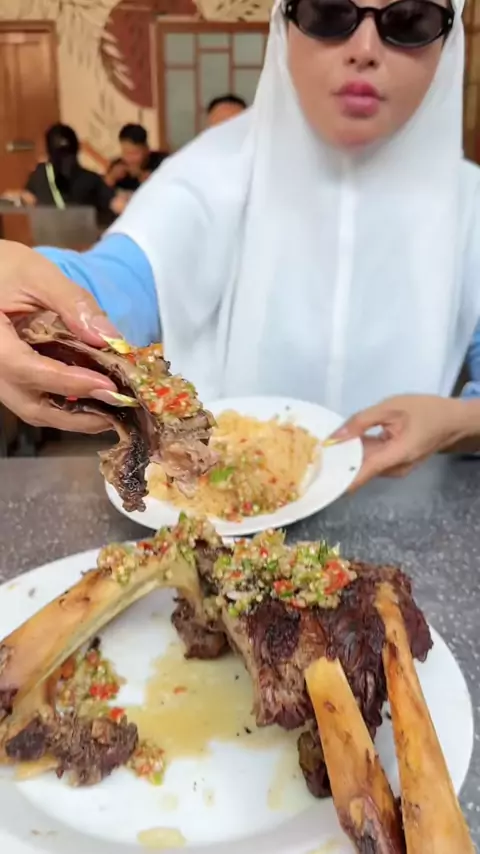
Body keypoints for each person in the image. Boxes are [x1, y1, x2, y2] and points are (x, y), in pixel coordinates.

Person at [0, 0, 480, 481]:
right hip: (223, 502)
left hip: (412, 504)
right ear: (284, 24)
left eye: (410, 21)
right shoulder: (211, 173)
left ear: (448, 39)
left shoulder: (469, 206)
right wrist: (30, 292)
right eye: (329, 12)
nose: (365, 49)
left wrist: (462, 422)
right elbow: (114, 283)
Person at [3, 124, 120, 221]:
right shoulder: (92, 180)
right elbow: (117, 205)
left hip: (47, 240)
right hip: (85, 240)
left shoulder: (39, 175)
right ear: (77, 148)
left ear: (48, 151)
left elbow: (27, 198)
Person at [105, 124, 151, 193]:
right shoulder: (116, 165)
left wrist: (153, 181)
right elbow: (101, 193)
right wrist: (111, 179)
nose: (130, 159)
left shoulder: (162, 163)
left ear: (146, 149)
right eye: (125, 152)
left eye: (135, 153)